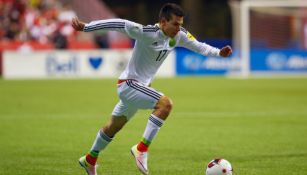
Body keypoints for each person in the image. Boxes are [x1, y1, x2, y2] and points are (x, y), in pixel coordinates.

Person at [72, 3, 232, 175]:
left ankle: (90, 159)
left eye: (181, 24)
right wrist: (87, 27)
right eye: (175, 24)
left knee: (112, 127)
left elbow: (200, 46)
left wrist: (218, 53)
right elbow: (119, 23)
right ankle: (141, 149)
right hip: (128, 84)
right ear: (163, 22)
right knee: (165, 104)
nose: (179, 28)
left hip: (139, 88)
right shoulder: (146, 32)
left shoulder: (180, 35)